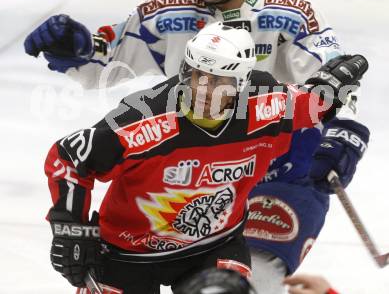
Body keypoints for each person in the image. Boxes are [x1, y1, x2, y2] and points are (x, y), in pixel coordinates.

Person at [24, 0, 370, 293]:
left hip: (277, 169)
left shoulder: (291, 16)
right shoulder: (166, 15)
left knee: (251, 284)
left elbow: (334, 82)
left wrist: (342, 135)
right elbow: (104, 62)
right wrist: (77, 47)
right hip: (192, 170)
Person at [45, 22, 366, 294]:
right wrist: (70, 228)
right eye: (198, 75)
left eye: (219, 80)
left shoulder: (265, 106)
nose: (204, 89)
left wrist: (334, 90)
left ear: (241, 84)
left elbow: (314, 104)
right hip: (126, 252)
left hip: (213, 246)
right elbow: (69, 158)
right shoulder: (146, 119)